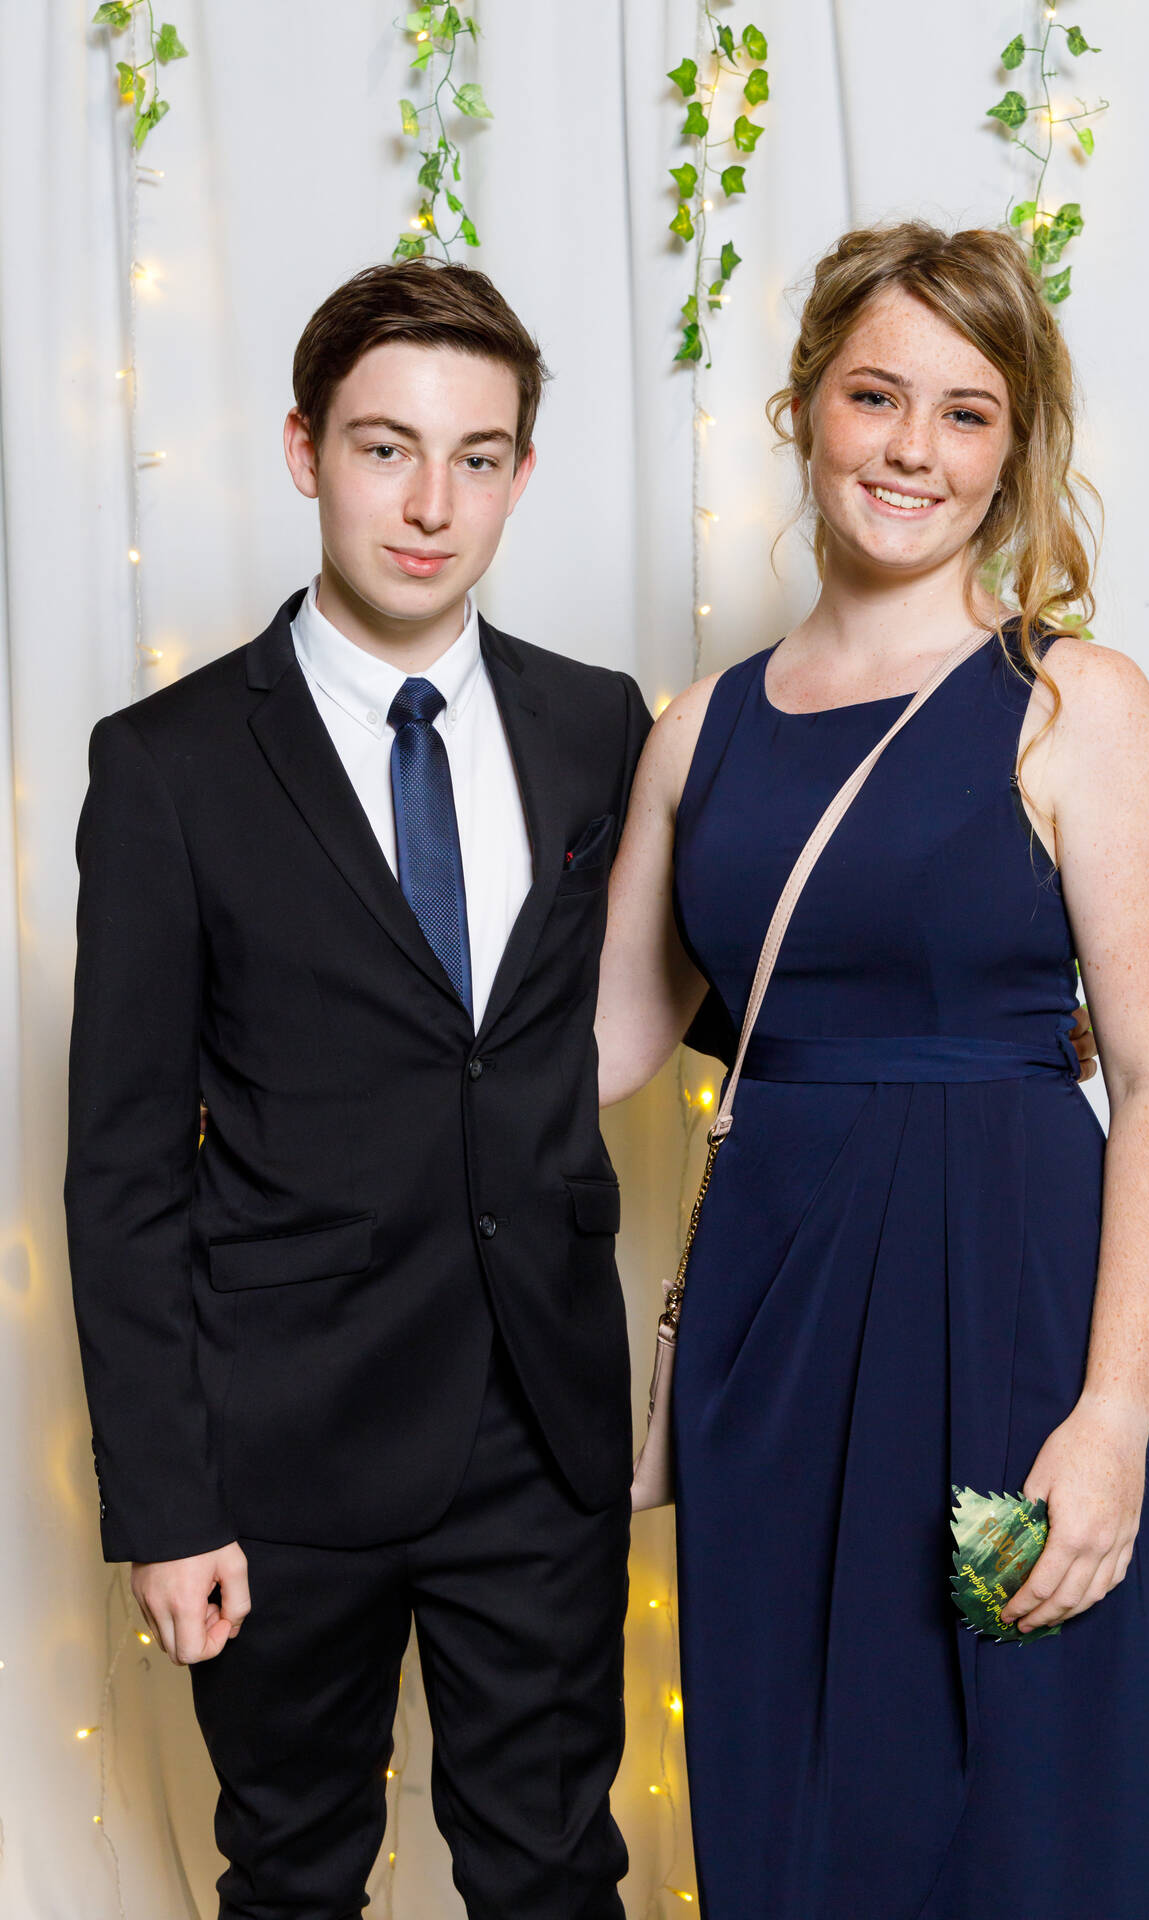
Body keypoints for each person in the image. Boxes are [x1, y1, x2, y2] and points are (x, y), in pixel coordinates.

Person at [596, 222, 1149, 1919]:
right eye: (876, 396)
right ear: (806, 407)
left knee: (1022, 1802)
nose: (912, 449)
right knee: (798, 1810)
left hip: (1014, 1347)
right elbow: (597, 1050)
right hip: (775, 1350)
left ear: (1014, 448)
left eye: (965, 412)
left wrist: (1113, 1417)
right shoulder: (698, 731)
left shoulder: (1077, 705)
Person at [64, 259, 653, 1919]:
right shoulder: (168, 766)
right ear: (304, 450)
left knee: (555, 1875)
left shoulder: (598, 727)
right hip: (280, 1447)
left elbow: (691, 983)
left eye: (478, 457)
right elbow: (122, 1169)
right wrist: (166, 1506)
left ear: (521, 477)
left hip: (539, 1426)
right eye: (387, 448)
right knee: (295, 1875)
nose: (431, 504)